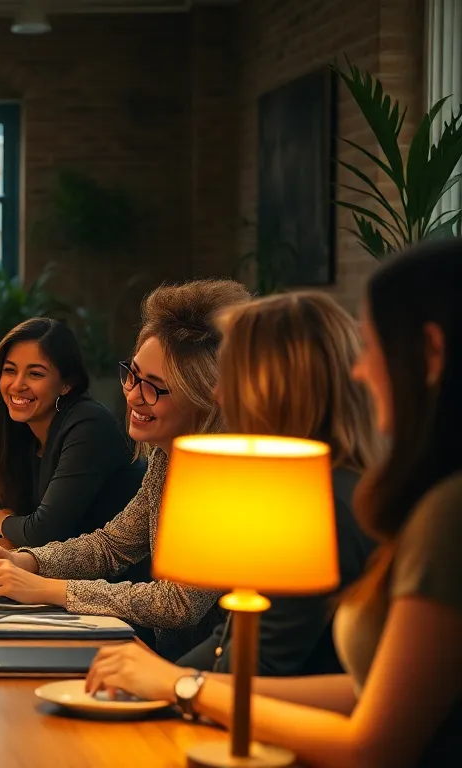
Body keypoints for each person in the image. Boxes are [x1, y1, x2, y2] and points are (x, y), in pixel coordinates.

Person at [86, 240, 462, 766]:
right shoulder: (395, 493)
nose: (217, 396)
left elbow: (370, 738)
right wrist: (171, 681)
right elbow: (364, 690)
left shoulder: (396, 507)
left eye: (374, 346)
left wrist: (182, 686)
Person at [0, 279, 251, 659]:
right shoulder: (166, 459)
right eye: (132, 375)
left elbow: (179, 604)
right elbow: (111, 545)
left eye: (154, 387)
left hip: (209, 675)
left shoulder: (226, 475)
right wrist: (27, 560)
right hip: (162, 658)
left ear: (204, 396)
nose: (133, 395)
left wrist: (47, 588)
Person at [168, 293, 377, 675]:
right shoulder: (301, 485)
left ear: (274, 386)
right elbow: (232, 637)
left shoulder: (325, 503)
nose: (217, 395)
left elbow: (261, 662)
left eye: (229, 377)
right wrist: (148, 681)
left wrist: (168, 684)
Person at [0, 318, 145, 547]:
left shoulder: (89, 424)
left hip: (114, 579)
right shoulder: (23, 430)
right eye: (9, 371)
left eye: (35, 374)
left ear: (66, 384)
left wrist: (4, 522)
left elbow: (44, 532)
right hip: (58, 573)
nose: (17, 384)